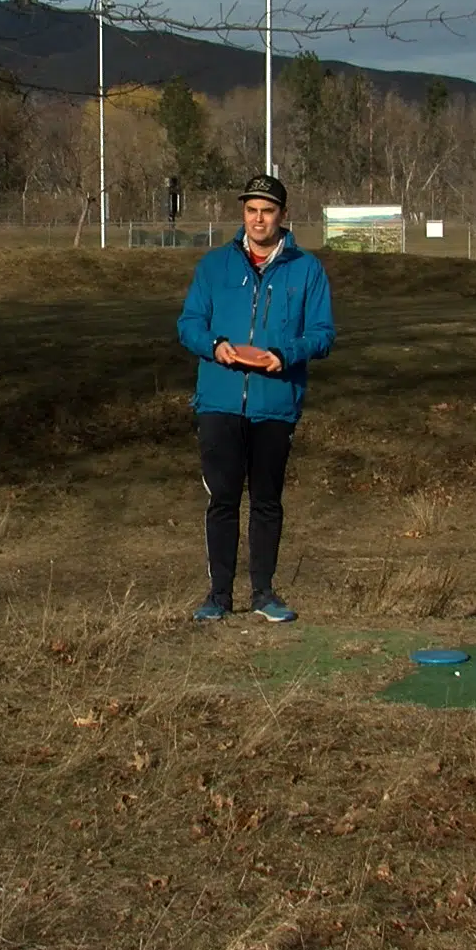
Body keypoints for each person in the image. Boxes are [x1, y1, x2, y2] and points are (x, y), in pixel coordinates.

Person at [176, 173, 336, 623]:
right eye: (251, 210)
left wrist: (284, 355)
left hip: (275, 401)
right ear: (242, 214)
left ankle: (264, 592)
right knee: (223, 497)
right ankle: (219, 595)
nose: (258, 218)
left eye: (267, 210)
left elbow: (323, 334)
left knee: (266, 500)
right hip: (219, 401)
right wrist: (214, 346)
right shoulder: (214, 267)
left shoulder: (306, 270)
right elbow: (188, 324)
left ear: (282, 215)